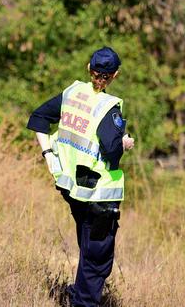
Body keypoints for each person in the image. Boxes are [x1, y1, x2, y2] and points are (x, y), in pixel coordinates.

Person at [27, 46, 135, 307]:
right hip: (98, 195)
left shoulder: (72, 93)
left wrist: (49, 156)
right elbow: (111, 151)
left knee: (87, 248)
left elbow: (38, 117)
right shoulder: (109, 107)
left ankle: (77, 296)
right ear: (115, 75)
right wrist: (125, 143)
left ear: (89, 68)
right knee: (97, 258)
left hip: (71, 188)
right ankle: (84, 302)